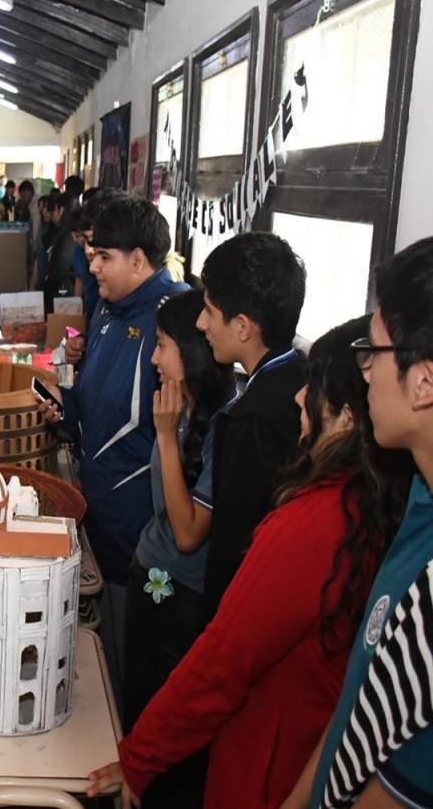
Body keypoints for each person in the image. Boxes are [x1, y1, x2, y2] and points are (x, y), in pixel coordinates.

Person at [87, 315, 413, 809]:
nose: (300, 399)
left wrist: (140, 756)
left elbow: (224, 660)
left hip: (266, 771)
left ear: (346, 416)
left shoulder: (315, 522)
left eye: (314, 390)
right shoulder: (385, 502)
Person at [298, 237, 433, 809]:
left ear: (424, 381)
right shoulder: (420, 501)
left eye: (372, 352)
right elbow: (360, 703)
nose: (367, 372)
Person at [49, 196, 187, 705]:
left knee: (139, 661)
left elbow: (177, 437)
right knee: (106, 647)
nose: (91, 265)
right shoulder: (107, 309)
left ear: (138, 259)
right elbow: (98, 401)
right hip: (100, 513)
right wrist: (64, 409)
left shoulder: (172, 321)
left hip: (141, 534)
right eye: (91, 252)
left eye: (103, 255)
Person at [119, 289, 235, 806]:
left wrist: (165, 438)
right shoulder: (182, 410)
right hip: (151, 581)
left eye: (163, 344)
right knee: (137, 712)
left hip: (179, 604)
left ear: (190, 354)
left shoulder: (218, 429)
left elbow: (188, 533)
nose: (153, 357)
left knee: (163, 734)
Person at [195, 232, 307, 615]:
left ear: (243, 327)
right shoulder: (300, 376)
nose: (200, 323)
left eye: (209, 310)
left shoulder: (251, 421)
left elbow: (232, 546)